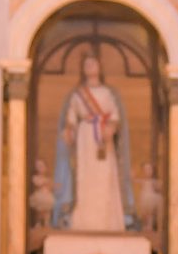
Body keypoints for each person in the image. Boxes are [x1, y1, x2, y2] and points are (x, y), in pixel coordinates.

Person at [53, 50, 136, 233]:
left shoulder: (107, 93)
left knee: (105, 178)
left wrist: (111, 128)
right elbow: (72, 117)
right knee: (84, 178)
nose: (90, 67)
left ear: (100, 67)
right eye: (87, 64)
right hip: (84, 138)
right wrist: (69, 131)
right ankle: (83, 223)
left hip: (104, 140)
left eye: (93, 63)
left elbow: (115, 114)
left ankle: (108, 223)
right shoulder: (77, 95)